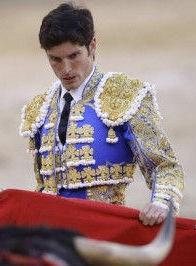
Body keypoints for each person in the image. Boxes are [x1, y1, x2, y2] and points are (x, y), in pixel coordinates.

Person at [19, 2, 184, 226]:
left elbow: (164, 166)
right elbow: (42, 187)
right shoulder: (40, 108)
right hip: (53, 233)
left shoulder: (125, 96)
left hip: (104, 231)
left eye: (74, 55)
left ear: (92, 46)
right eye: (55, 59)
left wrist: (161, 203)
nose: (65, 69)